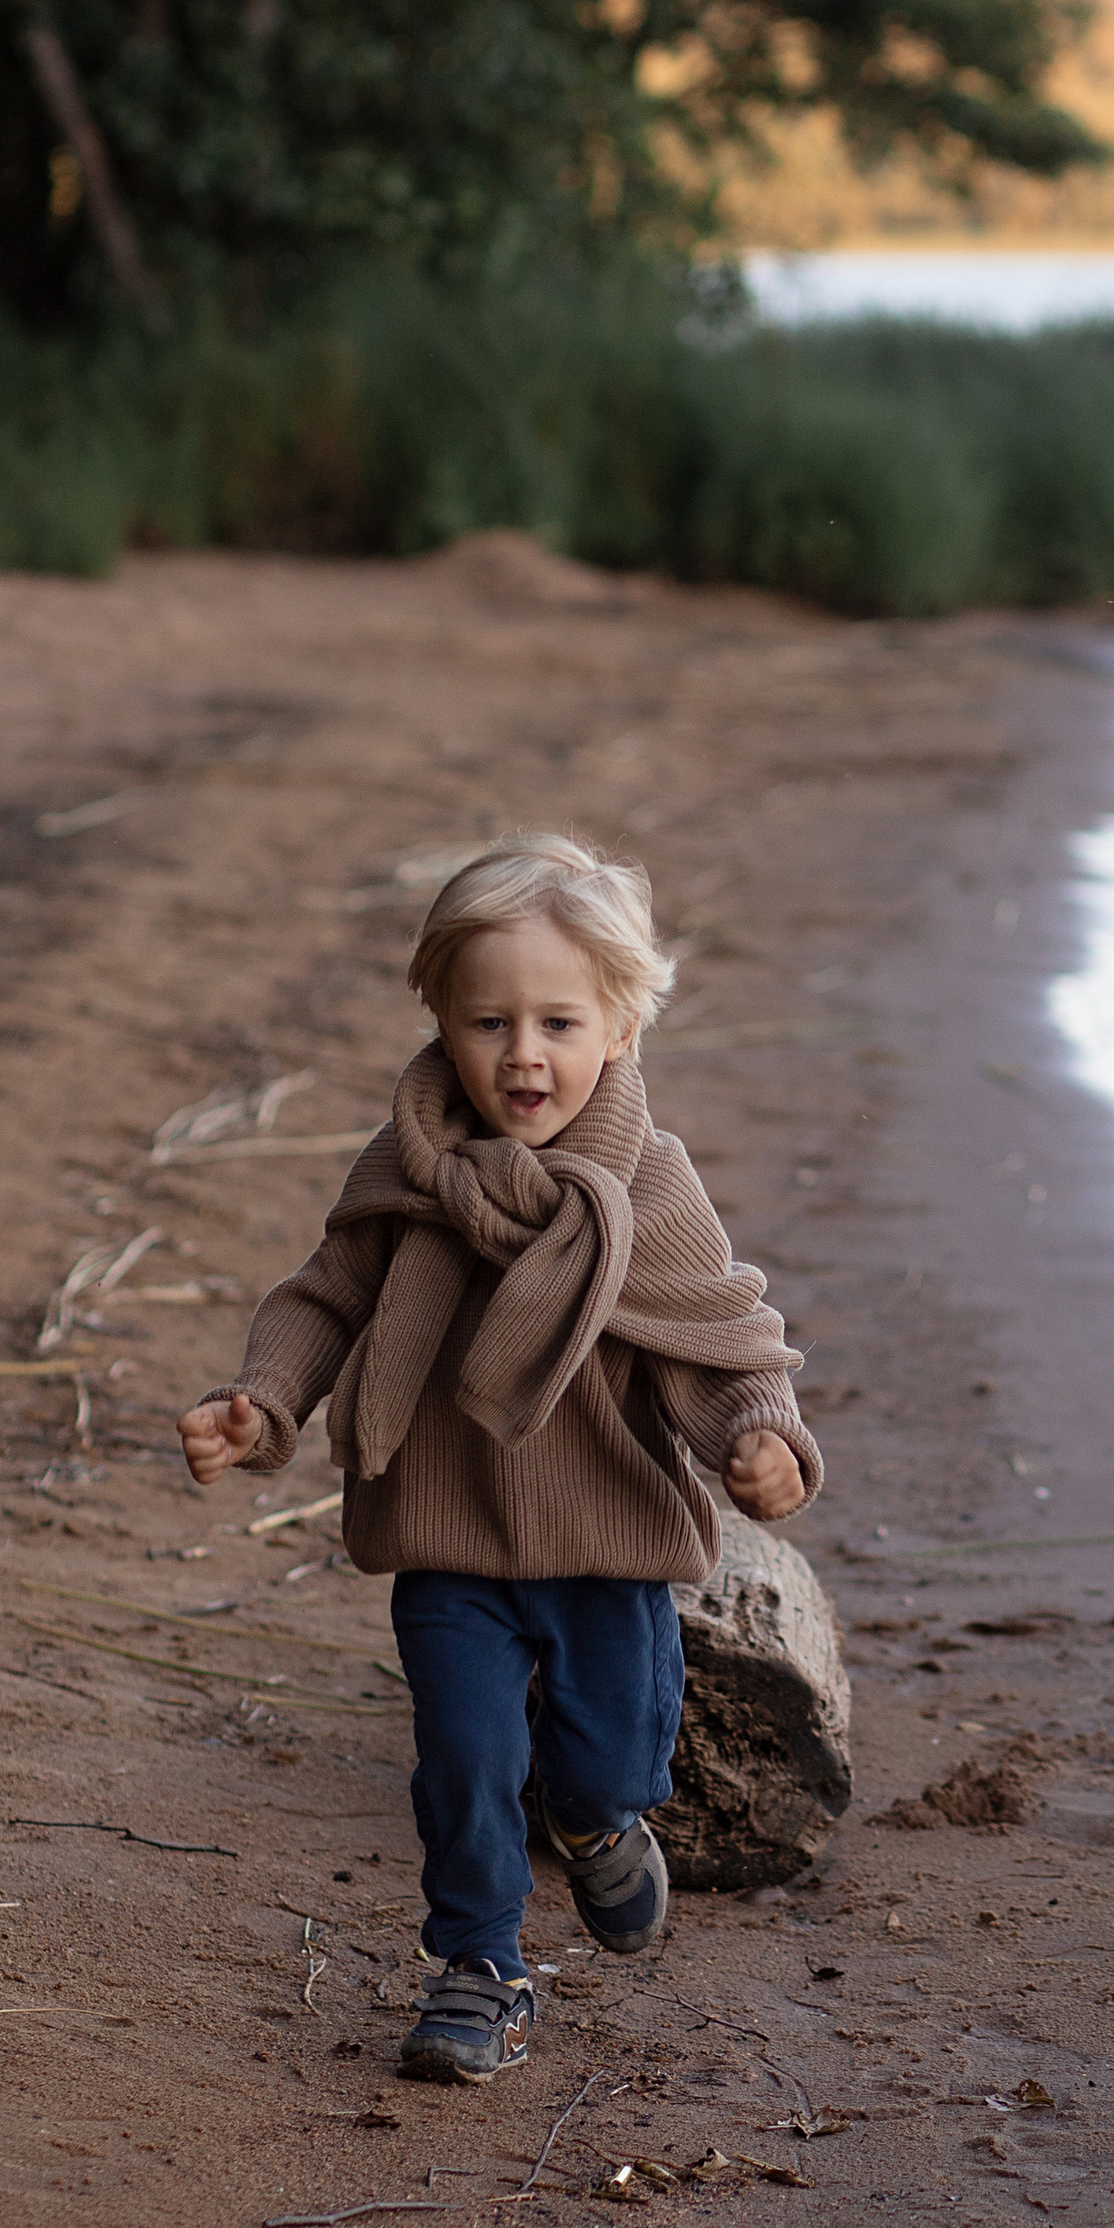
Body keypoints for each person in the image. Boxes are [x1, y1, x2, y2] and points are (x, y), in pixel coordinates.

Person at [175, 831, 820, 2084]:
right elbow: (326, 1296)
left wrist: (758, 1434)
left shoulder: (646, 1183)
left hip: (605, 1541)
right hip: (448, 1530)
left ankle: (596, 1820)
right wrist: (263, 1401)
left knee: (607, 1755)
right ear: (440, 1017)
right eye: (489, 1022)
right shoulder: (406, 1167)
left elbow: (717, 1333)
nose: (523, 1053)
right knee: (466, 1763)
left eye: (558, 1023)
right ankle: (479, 1966)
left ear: (621, 1027)